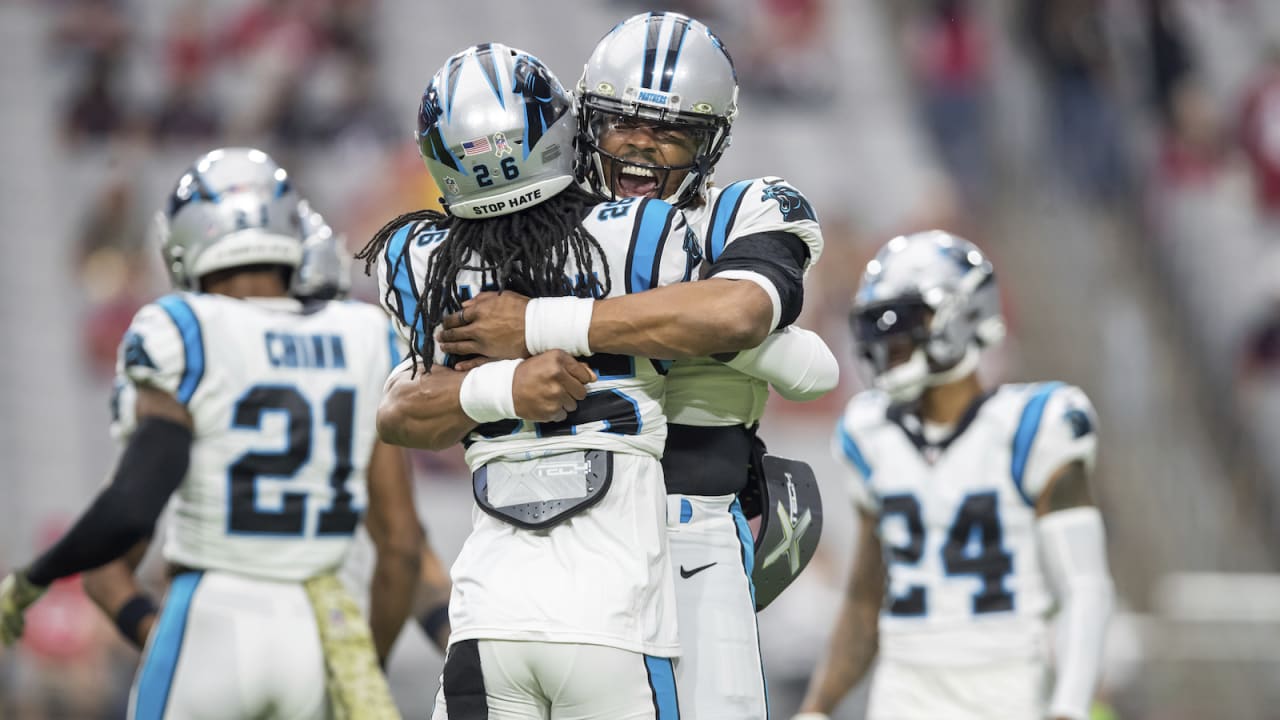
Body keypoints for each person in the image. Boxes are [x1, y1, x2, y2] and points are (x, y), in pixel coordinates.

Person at [434, 13, 833, 719]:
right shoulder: (539, 220)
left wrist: (537, 320)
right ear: (587, 123)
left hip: (691, 535)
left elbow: (742, 315)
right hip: (545, 533)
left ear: (711, 144)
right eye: (623, 122)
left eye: (674, 130)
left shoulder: (742, 211)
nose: (644, 143)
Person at [0, 147, 424, 719]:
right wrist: (359, 660)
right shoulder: (365, 333)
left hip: (211, 610)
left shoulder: (179, 328)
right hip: (316, 630)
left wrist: (42, 582)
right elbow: (399, 547)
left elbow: (125, 517)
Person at [357, 43, 700, 719]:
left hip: (487, 623)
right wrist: (528, 367)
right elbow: (722, 325)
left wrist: (505, 378)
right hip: (611, 626)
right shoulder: (643, 234)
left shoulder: (417, 257)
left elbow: (403, 412)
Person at [792, 231, 1114, 720]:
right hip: (903, 690)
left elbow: (1085, 587)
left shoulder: (1035, 424)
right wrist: (817, 707)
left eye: (904, 321)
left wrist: (1069, 707)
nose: (889, 341)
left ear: (963, 314)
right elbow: (865, 597)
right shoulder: (871, 432)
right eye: (880, 326)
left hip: (1006, 685)